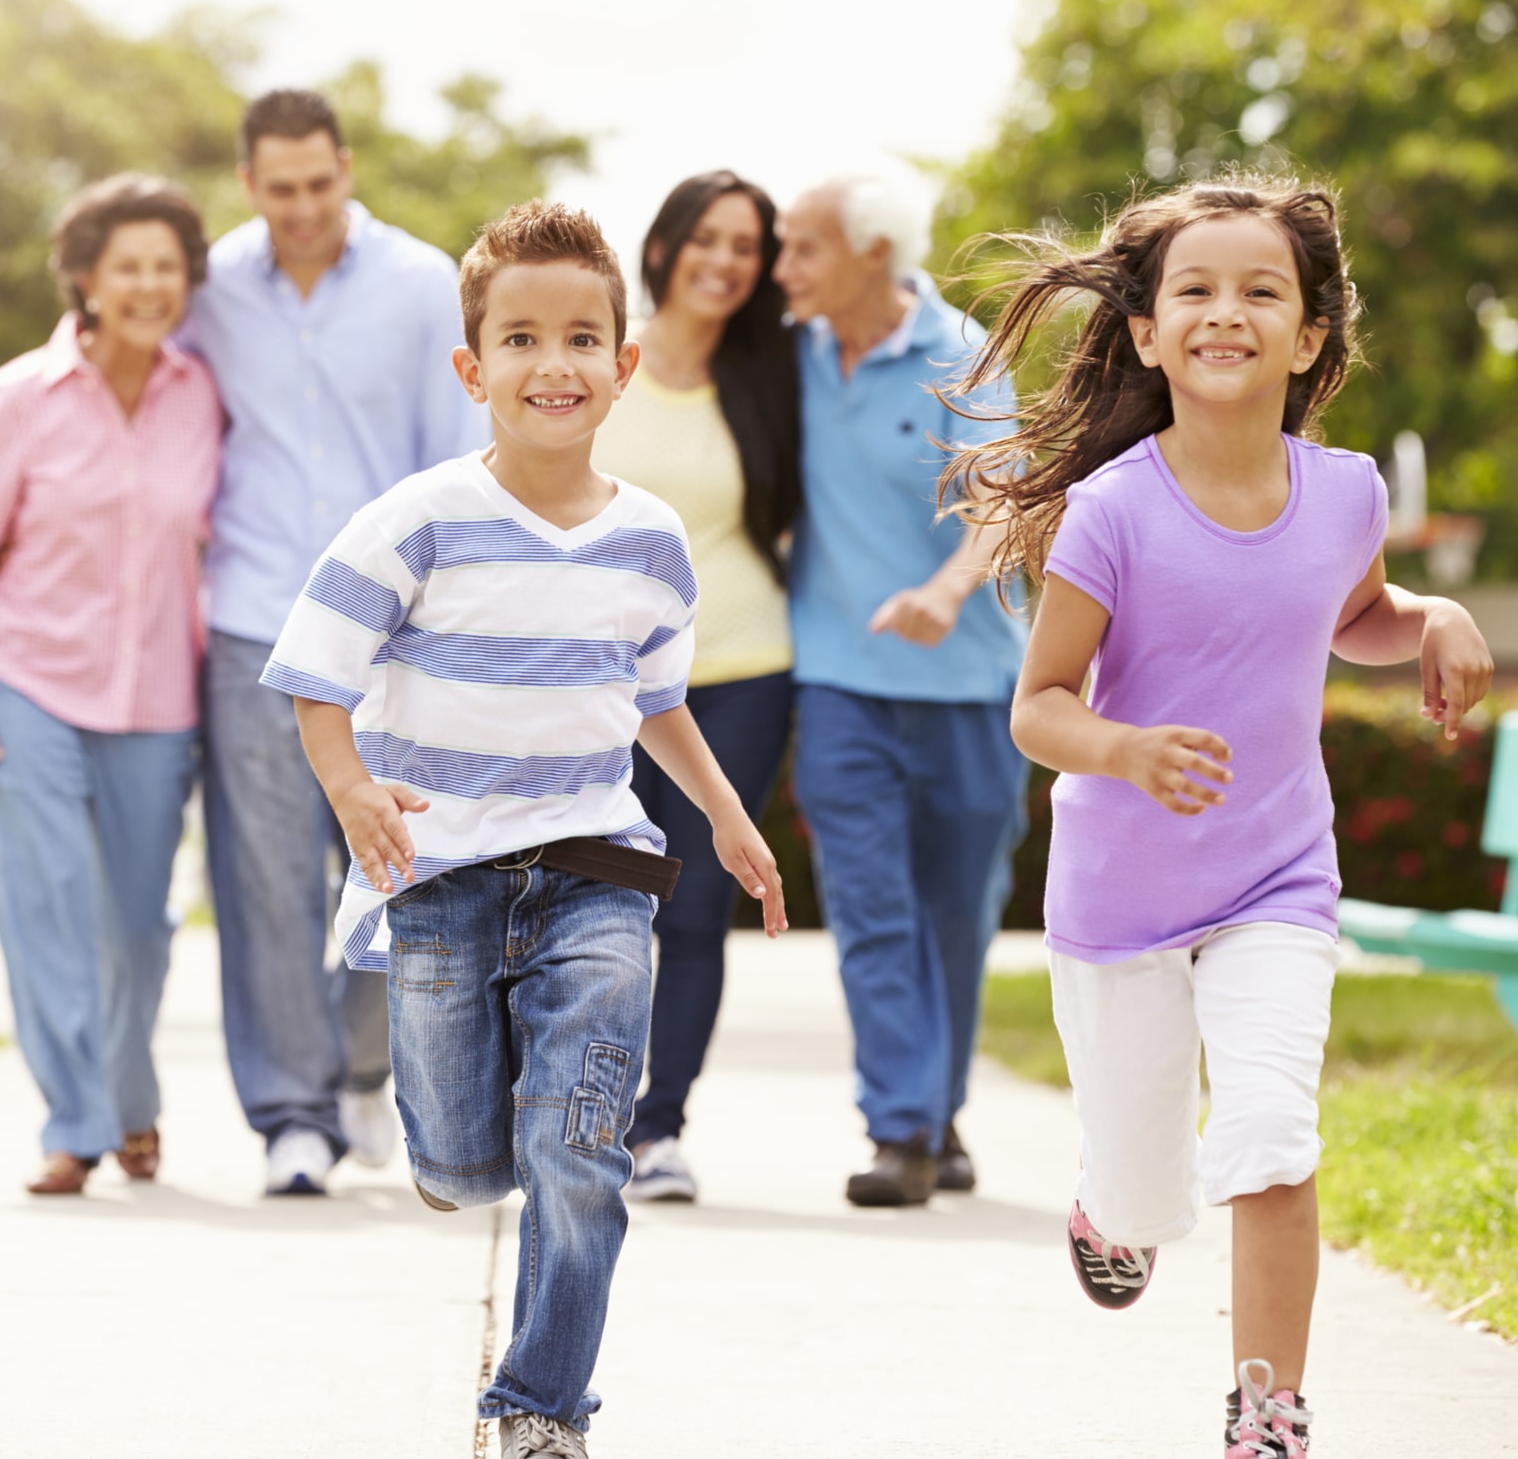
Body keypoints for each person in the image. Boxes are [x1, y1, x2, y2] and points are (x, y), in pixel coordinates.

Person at [940, 176, 1493, 1457]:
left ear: (1308, 337)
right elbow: (1039, 707)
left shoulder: (1346, 493)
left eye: (1260, 290)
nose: (1225, 311)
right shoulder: (1113, 511)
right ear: (1146, 333)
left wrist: (1435, 616)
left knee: (1270, 1132)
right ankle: (1108, 1209)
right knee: (1148, 1194)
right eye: (1194, 289)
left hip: (1276, 879)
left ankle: (1266, 1410)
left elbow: (1355, 613)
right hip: (1120, 898)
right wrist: (1123, 749)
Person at [261, 201, 787, 1458]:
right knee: (460, 1164)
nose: (554, 364)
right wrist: (352, 790)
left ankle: (541, 1404)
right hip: (441, 876)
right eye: (521, 339)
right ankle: (458, 1147)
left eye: (581, 339)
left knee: (581, 1147)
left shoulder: (651, 541)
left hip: (598, 871)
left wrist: (725, 815)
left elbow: (654, 702)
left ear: (623, 362)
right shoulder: (416, 520)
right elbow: (315, 673)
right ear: (473, 367)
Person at [182, 88, 488, 1195]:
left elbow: (455, 458)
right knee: (263, 881)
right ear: (249, 184)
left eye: (320, 182)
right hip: (251, 620)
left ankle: (363, 1066)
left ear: (345, 169)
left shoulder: (420, 283)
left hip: (383, 633)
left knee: (391, 862)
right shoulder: (210, 288)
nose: (304, 206)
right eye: (281, 189)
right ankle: (291, 1118)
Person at [0, 175, 220, 1194]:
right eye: (126, 266)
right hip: (24, 683)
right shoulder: (18, 396)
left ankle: (128, 1098)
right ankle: (75, 1124)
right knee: (44, 907)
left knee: (137, 926)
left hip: (156, 698)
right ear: (86, 278)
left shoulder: (200, 395)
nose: (148, 285)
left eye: (166, 267)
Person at [773, 173, 1027, 1207]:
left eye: (804, 248)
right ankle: (902, 1128)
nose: (782, 268)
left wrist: (946, 590)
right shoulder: (786, 355)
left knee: (957, 915)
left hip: (968, 684)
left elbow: (1002, 503)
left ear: (873, 253)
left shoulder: (962, 356)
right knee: (873, 910)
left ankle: (936, 1107)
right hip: (838, 681)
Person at [590, 170, 798, 1201]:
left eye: (745, 246)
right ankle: (581, 1112)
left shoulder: (772, 376)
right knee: (595, 900)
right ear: (665, 246)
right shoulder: (603, 361)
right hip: (600, 682)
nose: (724, 261)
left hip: (740, 670)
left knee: (697, 900)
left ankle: (659, 1126)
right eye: (707, 239)